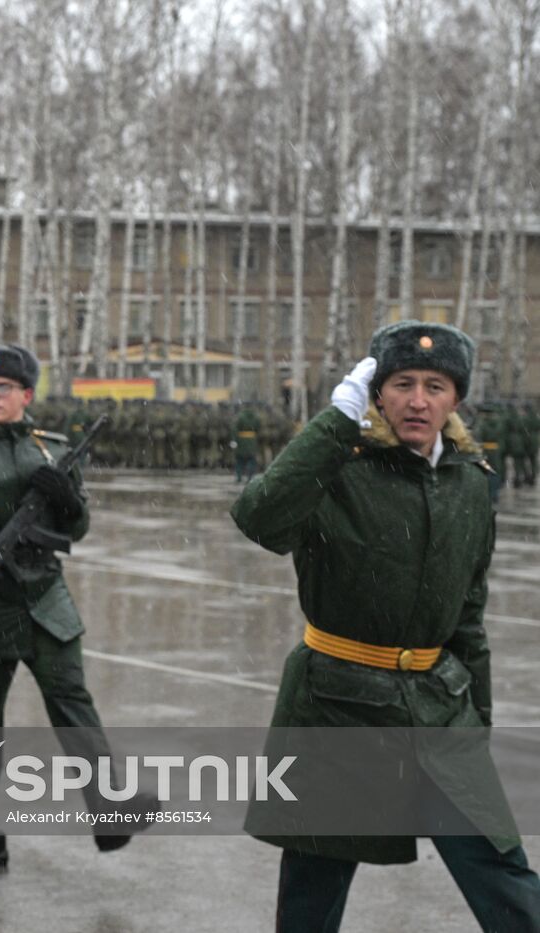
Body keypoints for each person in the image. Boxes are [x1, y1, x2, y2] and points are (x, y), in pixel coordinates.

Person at [231, 321, 540, 933]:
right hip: (337, 705)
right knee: (313, 893)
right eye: (402, 383)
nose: (418, 400)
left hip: (439, 707)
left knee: (502, 871)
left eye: (435, 385)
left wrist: (477, 717)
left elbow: (468, 618)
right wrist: (331, 428)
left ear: (456, 399)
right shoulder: (339, 468)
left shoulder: (469, 484)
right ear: (376, 392)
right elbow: (259, 516)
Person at [0, 345, 156, 863]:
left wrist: (69, 500)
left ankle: (108, 810)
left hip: (45, 597)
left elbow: (76, 527)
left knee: (73, 702)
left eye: (3, 389)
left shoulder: (50, 450)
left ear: (26, 395)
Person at [233, 403, 262, 483]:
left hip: (241, 440)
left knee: (240, 460)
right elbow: (258, 428)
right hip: (252, 439)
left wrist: (234, 439)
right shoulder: (256, 417)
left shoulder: (240, 417)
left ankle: (239, 477)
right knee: (251, 459)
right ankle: (250, 477)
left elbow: (235, 429)